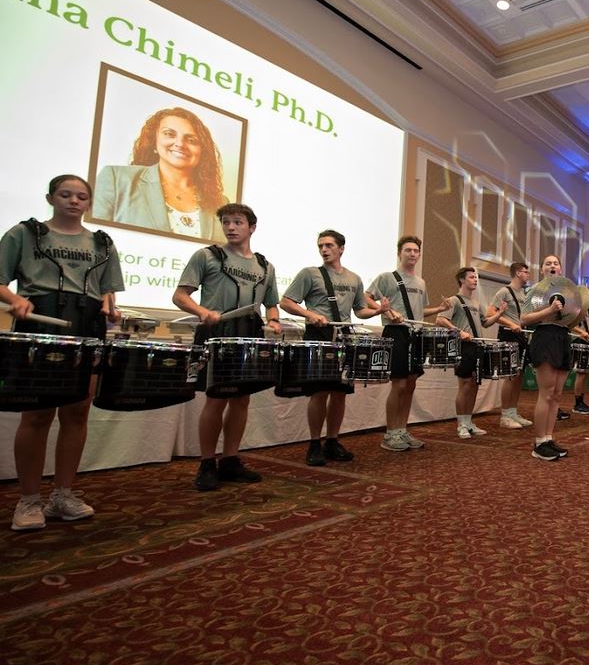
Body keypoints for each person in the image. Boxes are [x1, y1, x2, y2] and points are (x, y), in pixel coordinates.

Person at [1, 174, 125, 531]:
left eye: (81, 196)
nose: (73, 201)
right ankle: (28, 500)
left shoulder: (102, 242)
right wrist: (15, 300)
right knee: (37, 415)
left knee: (77, 413)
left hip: (86, 326)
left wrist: (109, 307)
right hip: (39, 325)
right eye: (65, 194)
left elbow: (107, 291)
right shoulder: (24, 234)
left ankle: (63, 494)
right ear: (50, 197)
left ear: (88, 203)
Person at [174, 203, 281, 491]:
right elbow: (180, 295)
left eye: (237, 222)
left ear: (252, 228)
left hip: (249, 333)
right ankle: (207, 462)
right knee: (216, 398)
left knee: (242, 399)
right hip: (217, 333)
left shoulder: (265, 266)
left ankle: (230, 459)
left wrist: (273, 320)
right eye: (226, 222)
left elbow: (271, 303)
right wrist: (201, 311)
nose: (231, 227)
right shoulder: (207, 256)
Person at [279, 229, 385, 466]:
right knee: (319, 392)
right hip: (318, 335)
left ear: (341, 249)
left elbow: (359, 310)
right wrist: (309, 314)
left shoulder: (354, 278)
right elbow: (285, 302)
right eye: (320, 246)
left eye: (328, 245)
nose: (324, 250)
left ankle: (332, 441)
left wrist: (378, 311)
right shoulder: (310, 274)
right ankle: (314, 443)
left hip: (344, 336)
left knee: (340, 393)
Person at [93, 107, 229, 241]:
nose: (180, 144)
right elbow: (91, 242)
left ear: (202, 151)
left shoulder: (221, 203)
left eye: (191, 140)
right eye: (170, 134)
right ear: (154, 141)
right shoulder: (116, 179)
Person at [367, 235, 449, 452]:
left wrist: (439, 310)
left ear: (419, 254)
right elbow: (366, 297)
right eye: (407, 250)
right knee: (399, 384)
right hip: (396, 333)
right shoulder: (387, 277)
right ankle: (390, 433)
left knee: (411, 384)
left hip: (416, 333)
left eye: (415, 251)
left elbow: (418, 311)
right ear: (399, 253)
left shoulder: (421, 282)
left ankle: (402, 430)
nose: (412, 254)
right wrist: (387, 311)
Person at [520, 254, 573, 461]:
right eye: (548, 263)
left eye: (556, 263)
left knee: (558, 394)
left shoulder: (568, 292)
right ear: (542, 269)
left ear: (560, 269)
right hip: (544, 337)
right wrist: (549, 310)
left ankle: (549, 438)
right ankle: (539, 442)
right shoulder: (537, 290)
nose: (552, 266)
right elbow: (524, 319)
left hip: (562, 337)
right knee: (547, 392)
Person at [437, 266, 490, 440]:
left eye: (476, 277)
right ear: (462, 280)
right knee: (465, 384)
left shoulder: (476, 303)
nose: (475, 280)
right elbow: (440, 319)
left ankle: (469, 422)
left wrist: (501, 313)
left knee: (475, 384)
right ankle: (461, 424)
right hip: (464, 346)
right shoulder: (454, 300)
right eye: (471, 277)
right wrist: (458, 331)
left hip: (477, 345)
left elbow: (485, 323)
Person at [485, 261, 534, 430]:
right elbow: (490, 313)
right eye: (526, 272)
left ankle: (513, 412)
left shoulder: (525, 294)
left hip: (522, 336)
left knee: (519, 376)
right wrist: (510, 323)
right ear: (518, 273)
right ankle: (505, 415)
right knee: (510, 376)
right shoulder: (504, 291)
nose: (528, 275)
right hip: (508, 334)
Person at [569, 312, 589, 415]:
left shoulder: (586, 310)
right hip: (578, 341)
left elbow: (587, 330)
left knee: (586, 373)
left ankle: (581, 401)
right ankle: (577, 404)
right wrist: (581, 332)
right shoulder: (576, 308)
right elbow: (570, 324)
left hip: (587, 340)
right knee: (581, 373)